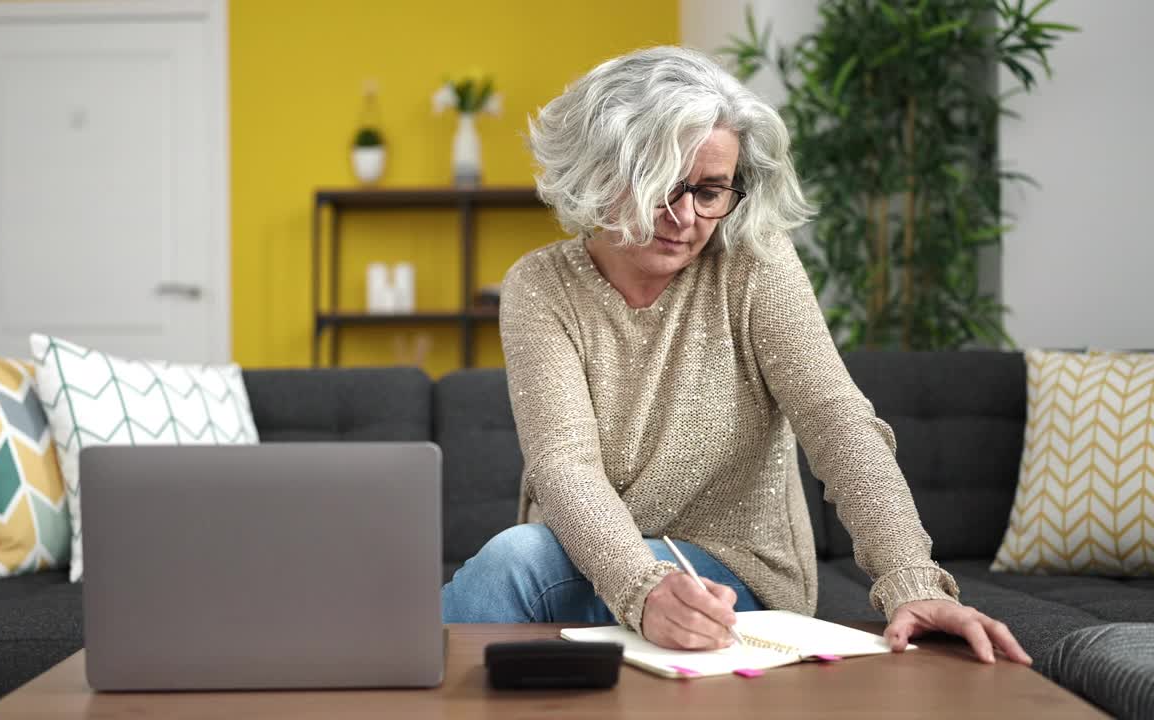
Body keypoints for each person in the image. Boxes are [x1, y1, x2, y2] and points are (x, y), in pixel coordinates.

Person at [441, 45, 1031, 665]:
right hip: (594, 560)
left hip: (736, 572)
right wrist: (644, 587)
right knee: (520, 562)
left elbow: (837, 422)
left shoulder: (753, 262)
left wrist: (910, 578)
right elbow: (565, 467)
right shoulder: (541, 286)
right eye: (663, 187)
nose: (687, 218)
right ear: (597, 172)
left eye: (710, 190)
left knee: (515, 564)